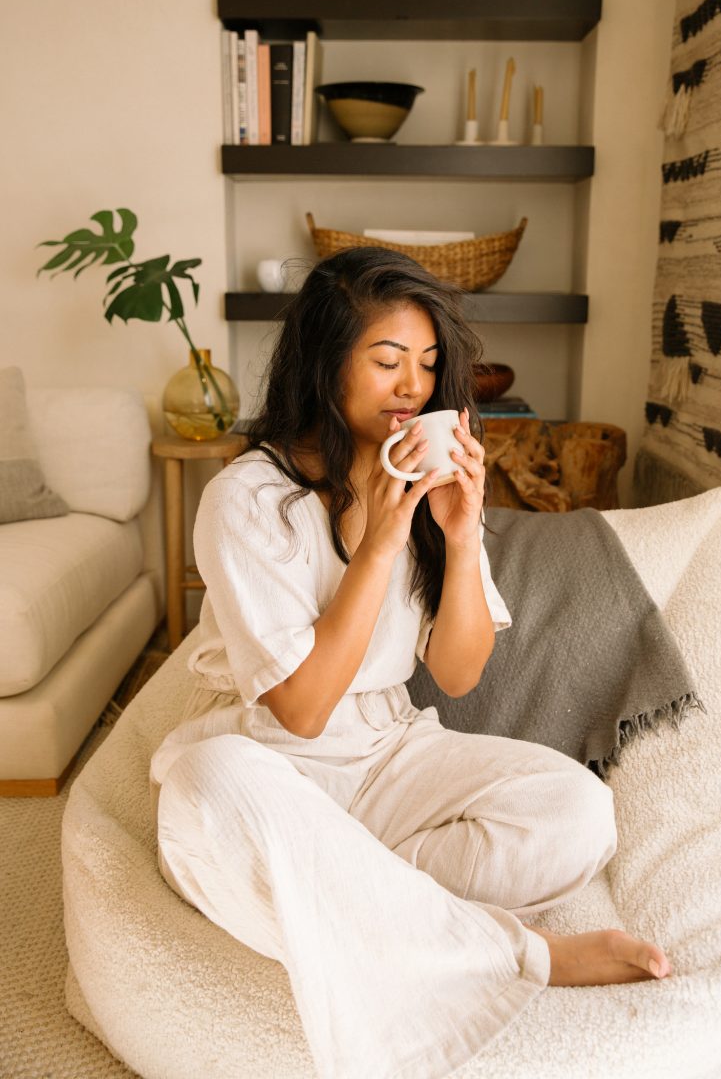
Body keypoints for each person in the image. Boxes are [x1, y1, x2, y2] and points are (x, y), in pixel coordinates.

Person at [150, 247, 670, 1079]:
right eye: (387, 361)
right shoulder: (247, 499)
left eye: (428, 365)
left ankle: (348, 893)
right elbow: (302, 711)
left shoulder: (423, 485)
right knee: (200, 791)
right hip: (271, 763)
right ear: (326, 364)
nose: (414, 388)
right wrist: (382, 538)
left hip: (391, 751)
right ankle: (525, 952)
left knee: (579, 813)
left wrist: (461, 537)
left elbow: (459, 674)